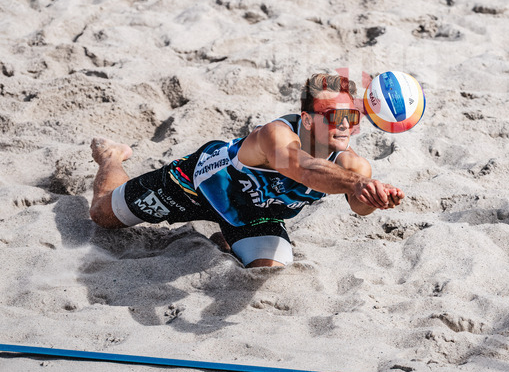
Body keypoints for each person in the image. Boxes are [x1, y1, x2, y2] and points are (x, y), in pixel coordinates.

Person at [88, 73, 405, 268]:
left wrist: (373, 198)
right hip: (194, 186)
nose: (346, 124)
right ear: (307, 120)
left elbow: (359, 207)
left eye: (350, 114)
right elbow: (302, 169)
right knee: (102, 215)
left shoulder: (354, 165)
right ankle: (112, 157)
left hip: (251, 213)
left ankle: (226, 238)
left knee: (270, 268)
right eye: (334, 115)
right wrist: (356, 184)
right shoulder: (276, 135)